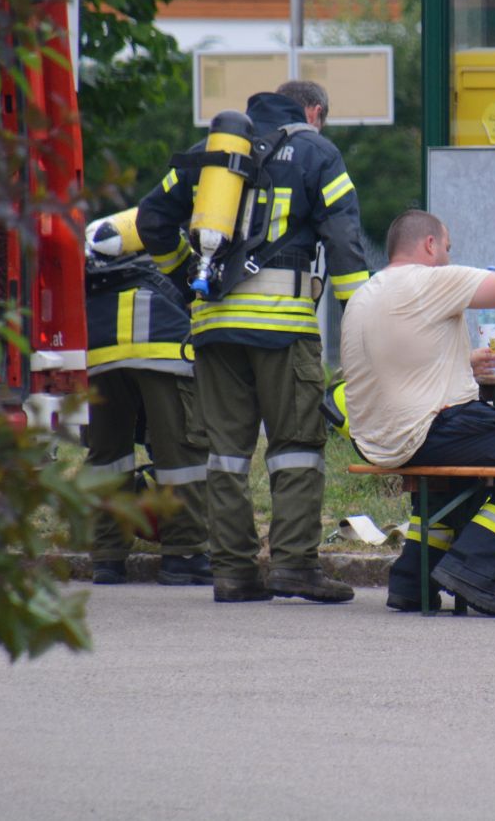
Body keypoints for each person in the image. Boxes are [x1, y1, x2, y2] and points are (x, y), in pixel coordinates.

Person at [136, 79, 370, 604]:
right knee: (296, 448)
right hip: (284, 327)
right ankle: (294, 566)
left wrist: (187, 281)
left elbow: (151, 220)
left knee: (226, 454)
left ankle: (233, 572)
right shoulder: (317, 151)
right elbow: (343, 239)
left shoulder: (210, 153)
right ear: (314, 112)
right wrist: (361, 318)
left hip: (214, 326)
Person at [341, 210, 495, 618]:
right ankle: (474, 569)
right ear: (430, 245)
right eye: (448, 248)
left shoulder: (366, 293)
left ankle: (413, 581)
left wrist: (463, 362)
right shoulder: (428, 280)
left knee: (458, 471)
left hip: (375, 438)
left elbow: (397, 361)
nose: (449, 257)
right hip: (427, 430)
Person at [83, 252, 213, 587]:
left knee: (107, 458)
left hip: (99, 341)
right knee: (180, 455)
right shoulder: (181, 244)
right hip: (162, 344)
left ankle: (107, 558)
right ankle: (184, 556)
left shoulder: (102, 245)